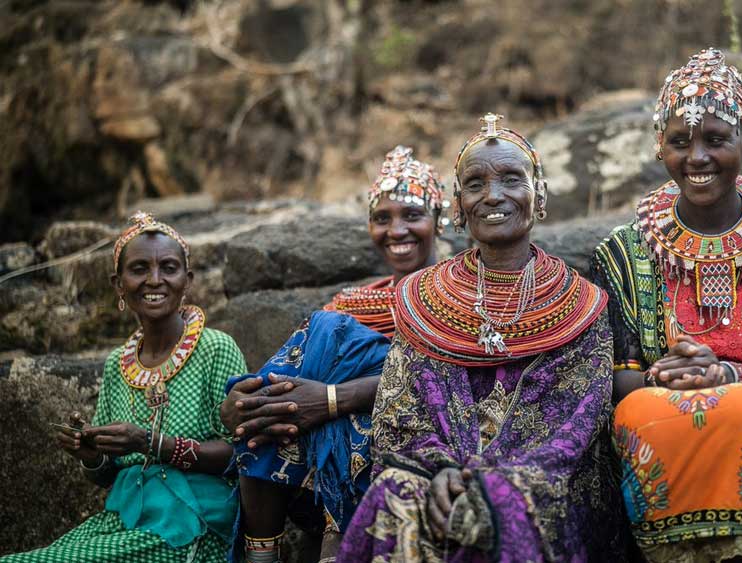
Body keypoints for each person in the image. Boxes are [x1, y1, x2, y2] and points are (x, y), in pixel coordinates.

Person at [339, 114, 628, 562]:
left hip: (543, 481)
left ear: (540, 193)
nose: (493, 195)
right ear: (458, 204)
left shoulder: (580, 303)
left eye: (512, 179)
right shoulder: (424, 299)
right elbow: (399, 414)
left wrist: (484, 480)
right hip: (437, 474)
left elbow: (574, 427)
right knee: (395, 491)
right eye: (475, 184)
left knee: (500, 506)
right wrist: (441, 472)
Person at [591, 48, 742, 563]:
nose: (697, 157)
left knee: (737, 411)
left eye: (715, 139)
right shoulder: (623, 251)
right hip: (660, 399)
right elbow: (622, 378)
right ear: (660, 147)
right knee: (640, 410)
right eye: (679, 141)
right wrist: (668, 379)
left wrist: (726, 375)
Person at [219, 146, 449, 563]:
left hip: (416, 443)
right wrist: (242, 402)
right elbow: (294, 373)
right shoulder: (351, 304)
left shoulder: (456, 296)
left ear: (439, 220)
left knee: (341, 393)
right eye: (382, 219)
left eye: (412, 215)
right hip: (307, 476)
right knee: (324, 334)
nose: (396, 230)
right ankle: (268, 550)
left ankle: (305, 548)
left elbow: (443, 379)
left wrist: (329, 401)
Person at [2, 212, 247, 562]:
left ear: (187, 280)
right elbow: (109, 473)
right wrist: (91, 455)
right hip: (125, 518)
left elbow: (240, 454)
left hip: (192, 522)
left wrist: (151, 443)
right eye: (139, 269)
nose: (155, 280)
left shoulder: (215, 349)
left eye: (169, 267)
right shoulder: (118, 363)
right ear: (118, 284)